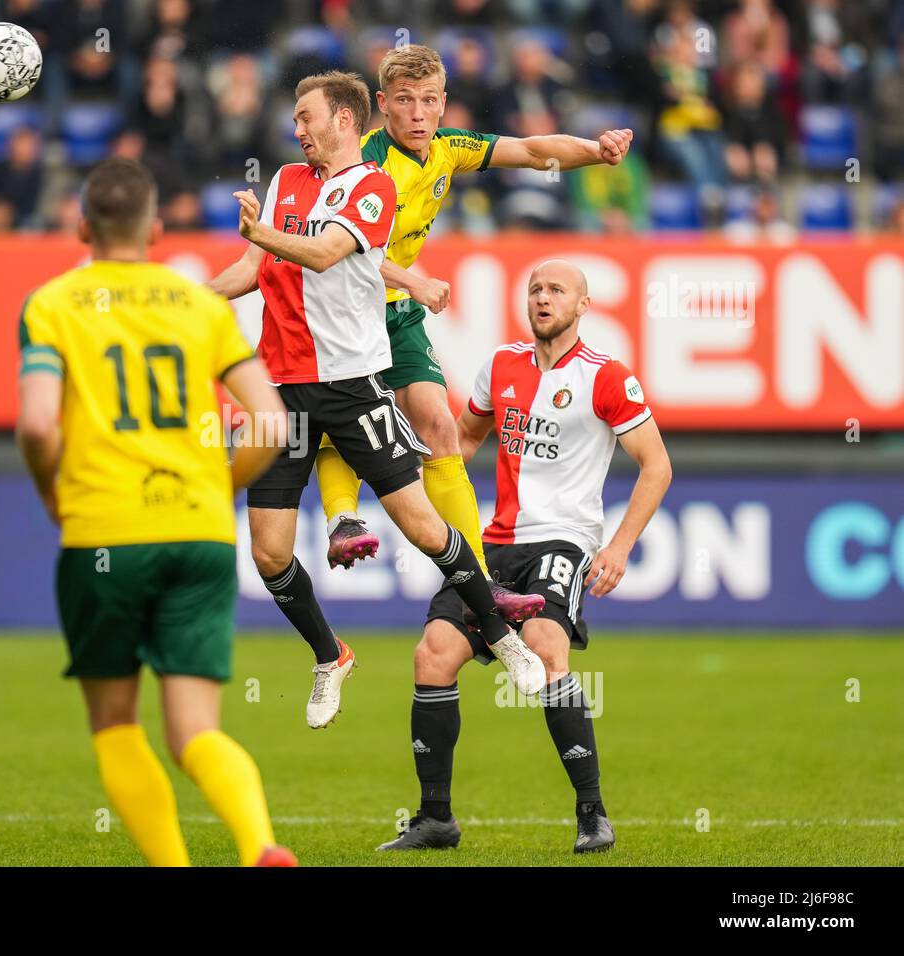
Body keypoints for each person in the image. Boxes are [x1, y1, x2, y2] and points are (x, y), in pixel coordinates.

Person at [209, 71, 547, 729]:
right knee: (269, 553)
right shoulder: (283, 182)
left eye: (306, 116)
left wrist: (259, 235)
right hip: (282, 394)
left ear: (343, 119)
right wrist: (193, 298)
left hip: (353, 387)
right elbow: (253, 273)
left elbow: (325, 254)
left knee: (423, 529)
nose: (297, 127)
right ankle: (330, 655)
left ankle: (504, 640)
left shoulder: (373, 186)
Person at [15, 156, 296, 868]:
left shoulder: (51, 304)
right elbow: (269, 420)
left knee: (115, 723)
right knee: (196, 731)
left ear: (82, 226)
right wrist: (219, 487)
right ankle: (258, 842)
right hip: (198, 533)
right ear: (157, 227)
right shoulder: (198, 305)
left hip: (105, 531)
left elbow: (39, 425)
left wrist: (53, 495)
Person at [312, 45, 630, 608]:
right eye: (404, 101)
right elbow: (333, 248)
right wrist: (412, 281)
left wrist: (596, 150)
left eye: (428, 101)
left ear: (442, 105)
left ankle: (481, 581)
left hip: (397, 311)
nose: (416, 113)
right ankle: (342, 521)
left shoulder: (448, 149)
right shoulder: (360, 163)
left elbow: (532, 150)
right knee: (349, 421)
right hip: (344, 311)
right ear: (383, 105)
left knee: (438, 422)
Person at [377, 259, 672, 855]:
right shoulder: (500, 365)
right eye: (535, 288)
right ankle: (436, 819)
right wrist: (409, 475)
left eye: (557, 290)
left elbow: (657, 466)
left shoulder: (607, 377)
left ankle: (593, 814)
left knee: (544, 644)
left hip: (562, 538)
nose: (543, 297)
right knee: (432, 654)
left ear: (583, 306)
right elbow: (462, 440)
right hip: (494, 542)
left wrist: (618, 546)